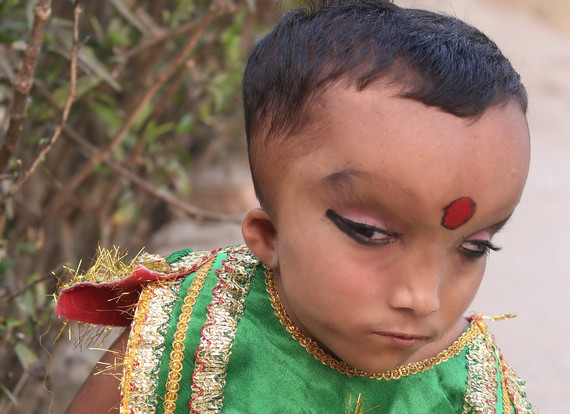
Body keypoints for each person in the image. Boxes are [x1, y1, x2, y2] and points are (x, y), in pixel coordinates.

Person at [56, 0, 536, 412]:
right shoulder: (191, 329)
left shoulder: (467, 386)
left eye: (474, 247)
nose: (423, 297)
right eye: (371, 233)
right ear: (269, 236)